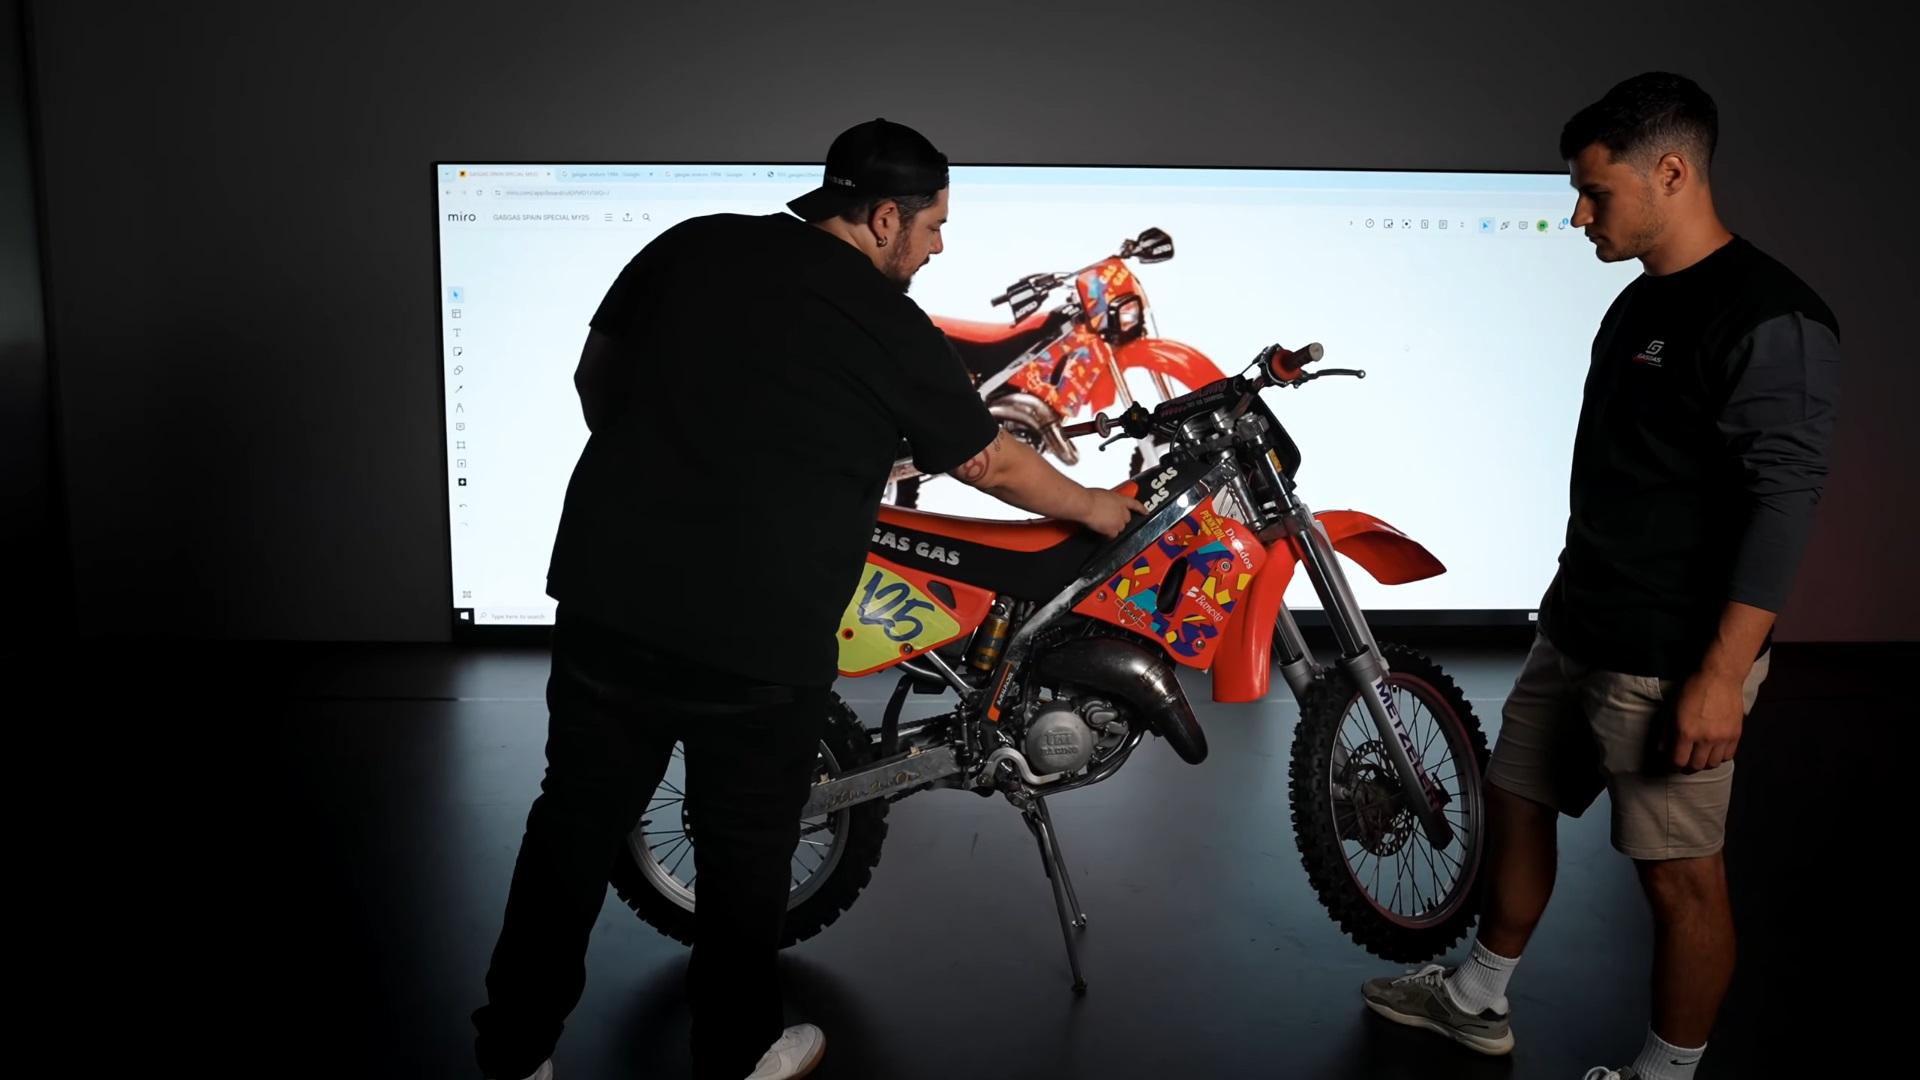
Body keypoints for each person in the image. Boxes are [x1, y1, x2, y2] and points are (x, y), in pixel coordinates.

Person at [470, 117, 1145, 1080]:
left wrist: (669, 461)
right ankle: (738, 1052)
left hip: (608, 597)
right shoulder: (889, 325)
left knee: (573, 821)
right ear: (884, 218)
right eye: (933, 226)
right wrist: (1096, 505)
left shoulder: (689, 245)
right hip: (757, 631)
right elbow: (988, 461)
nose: (938, 247)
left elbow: (595, 378)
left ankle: (513, 1051)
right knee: (746, 846)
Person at [1358, 72, 1841, 1080]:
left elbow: (1783, 503)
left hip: (1670, 656)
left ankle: (1666, 1073)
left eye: (1595, 191)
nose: (1578, 215)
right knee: (1516, 799)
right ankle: (1477, 998)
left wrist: (1721, 675)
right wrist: (1563, 606)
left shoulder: (1772, 316)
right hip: (1580, 624)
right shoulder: (1638, 304)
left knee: (1679, 880)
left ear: (1671, 172)